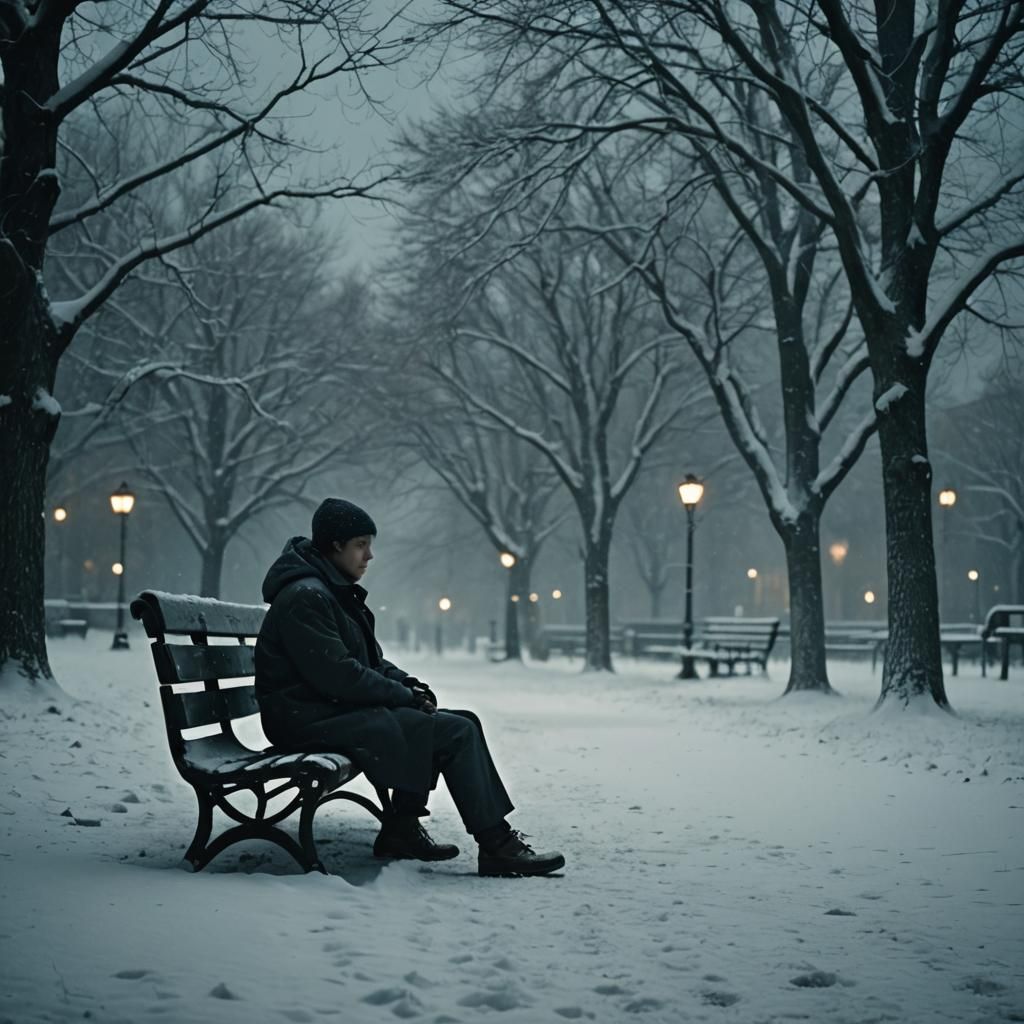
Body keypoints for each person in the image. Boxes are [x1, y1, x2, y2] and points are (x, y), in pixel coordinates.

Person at [254, 498, 565, 878]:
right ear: (335, 545)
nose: (370, 555)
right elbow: (340, 675)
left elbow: (369, 663)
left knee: (455, 720)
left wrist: (408, 685)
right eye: (361, 544)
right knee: (454, 730)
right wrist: (403, 697)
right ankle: (496, 845)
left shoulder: (329, 591)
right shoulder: (308, 596)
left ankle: (402, 828)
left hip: (321, 709)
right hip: (303, 717)